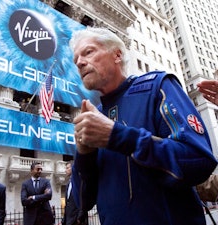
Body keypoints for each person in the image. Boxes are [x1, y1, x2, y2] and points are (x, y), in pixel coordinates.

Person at [69, 27, 217, 225]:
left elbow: (199, 160)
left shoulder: (158, 87)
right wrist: (84, 154)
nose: (79, 62)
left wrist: (118, 136)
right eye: (76, 59)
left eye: (88, 52)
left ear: (117, 55)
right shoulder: (94, 116)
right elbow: (83, 202)